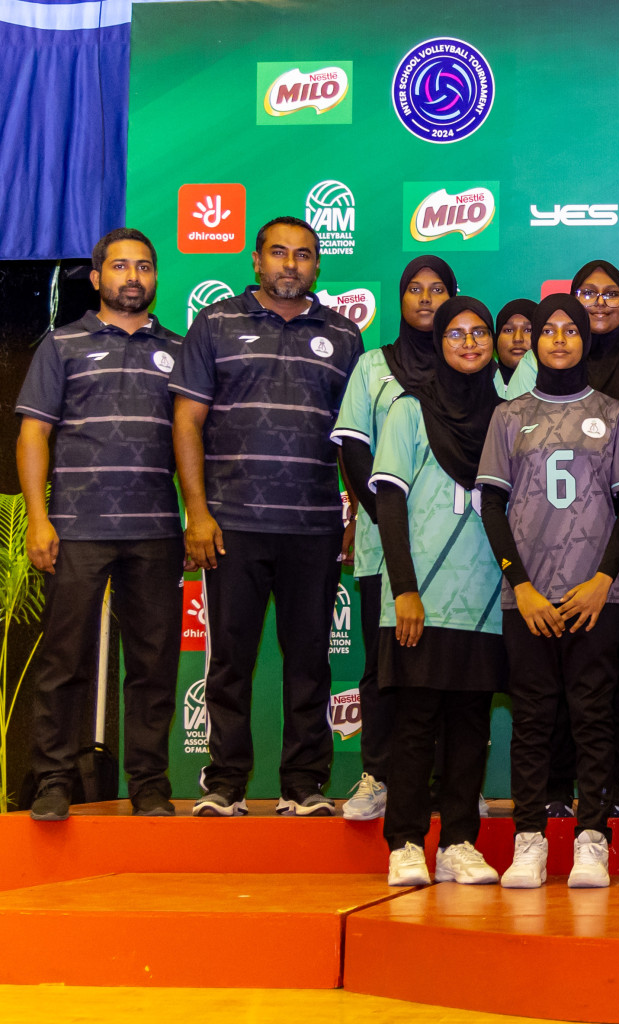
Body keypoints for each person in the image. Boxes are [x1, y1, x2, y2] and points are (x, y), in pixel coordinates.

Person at [171, 216, 362, 817]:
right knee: (230, 658)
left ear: (317, 266)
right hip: (232, 524)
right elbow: (187, 424)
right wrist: (196, 513)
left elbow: (354, 439)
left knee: (309, 658)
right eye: (278, 253)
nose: (290, 265)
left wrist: (356, 514)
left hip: (313, 525)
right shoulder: (216, 323)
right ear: (256, 260)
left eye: (303, 255)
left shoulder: (344, 334)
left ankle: (303, 784)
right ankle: (225, 783)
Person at [17, 228, 183, 820]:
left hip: (157, 530)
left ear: (156, 278)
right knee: (65, 661)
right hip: (75, 528)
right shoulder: (62, 345)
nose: (132, 277)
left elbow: (194, 441)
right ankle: (53, 782)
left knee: (154, 661)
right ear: (97, 278)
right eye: (119, 267)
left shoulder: (181, 349)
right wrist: (39, 519)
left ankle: (150, 785)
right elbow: (33, 433)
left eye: (144, 266)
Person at [479, 295, 619, 889]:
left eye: (570, 330)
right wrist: (518, 585)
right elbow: (492, 505)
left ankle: (592, 841)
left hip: (595, 598)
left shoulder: (614, 413)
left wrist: (603, 581)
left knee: (593, 719)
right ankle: (528, 842)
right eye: (547, 330)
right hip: (528, 600)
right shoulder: (508, 414)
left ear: (585, 339)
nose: (557, 340)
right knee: (532, 720)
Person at [370, 297, 506, 887]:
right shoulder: (408, 409)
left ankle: (456, 843)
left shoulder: (506, 418)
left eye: (480, 332)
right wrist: (404, 588)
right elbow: (390, 502)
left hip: (485, 596)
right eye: (457, 333)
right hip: (420, 595)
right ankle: (403, 842)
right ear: (438, 341)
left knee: (470, 725)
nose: (470, 343)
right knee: (415, 722)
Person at [514, 262, 619, 818]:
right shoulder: (531, 375)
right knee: (552, 678)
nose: (598, 303)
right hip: (546, 556)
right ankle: (555, 787)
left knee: (615, 670)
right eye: (586, 294)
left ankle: (609, 785)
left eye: (611, 293)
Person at [332, 256, 457, 821]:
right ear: (401, 300)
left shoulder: (470, 361)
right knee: (385, 665)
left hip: (461, 551)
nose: (426, 299)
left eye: (438, 290)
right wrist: (386, 519)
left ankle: (453, 781)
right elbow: (355, 450)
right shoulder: (373, 367)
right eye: (414, 289)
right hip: (386, 543)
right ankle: (379, 775)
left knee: (453, 665)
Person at [494, 298, 537, 392]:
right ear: (496, 339)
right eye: (508, 330)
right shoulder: (479, 391)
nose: (518, 339)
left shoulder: (558, 393)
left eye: (528, 330)